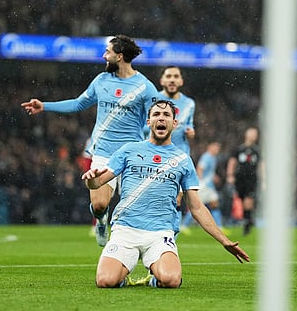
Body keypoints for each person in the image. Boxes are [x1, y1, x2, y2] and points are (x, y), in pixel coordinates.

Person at [81, 100, 250, 288]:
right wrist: (90, 179)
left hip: (160, 234)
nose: (161, 118)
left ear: (174, 123)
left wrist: (224, 241)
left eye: (166, 115)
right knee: (105, 281)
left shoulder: (183, 160)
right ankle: (123, 274)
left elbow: (196, 207)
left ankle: (155, 279)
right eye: (156, 115)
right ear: (148, 121)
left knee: (171, 280)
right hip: (125, 230)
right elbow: (98, 182)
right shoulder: (129, 150)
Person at [21, 35, 158, 247]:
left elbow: (156, 118)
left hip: (133, 154)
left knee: (133, 209)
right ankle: (101, 220)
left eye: (107, 52)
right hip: (103, 152)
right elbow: (77, 104)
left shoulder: (145, 87)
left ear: (119, 56)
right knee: (101, 204)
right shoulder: (101, 81)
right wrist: (44, 106)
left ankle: (133, 251)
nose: (104, 56)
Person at [156, 66, 196, 235]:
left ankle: (170, 238)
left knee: (177, 198)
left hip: (179, 156)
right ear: (162, 80)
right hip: (157, 155)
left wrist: (191, 132)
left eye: (175, 76)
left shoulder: (189, 103)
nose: (172, 79)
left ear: (181, 81)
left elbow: (190, 126)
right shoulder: (153, 99)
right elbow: (143, 127)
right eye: (169, 76)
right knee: (159, 199)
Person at [226, 127, 263, 236]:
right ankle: (248, 219)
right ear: (247, 135)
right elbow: (232, 162)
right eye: (252, 134)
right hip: (240, 178)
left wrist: (264, 179)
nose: (254, 136)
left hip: (252, 179)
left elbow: (261, 165)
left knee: (248, 200)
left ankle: (247, 223)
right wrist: (230, 175)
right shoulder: (239, 149)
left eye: (255, 134)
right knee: (242, 201)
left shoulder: (257, 150)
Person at [180, 142, 224, 233]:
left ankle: (219, 226)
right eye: (215, 148)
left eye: (218, 149)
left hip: (209, 186)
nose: (217, 150)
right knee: (197, 206)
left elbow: (208, 171)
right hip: (205, 185)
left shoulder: (213, 158)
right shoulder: (206, 157)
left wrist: (214, 177)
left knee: (214, 203)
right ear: (210, 147)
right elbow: (200, 168)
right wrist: (201, 182)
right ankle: (184, 225)